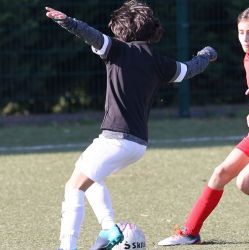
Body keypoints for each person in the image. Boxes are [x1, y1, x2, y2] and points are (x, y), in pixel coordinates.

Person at [45, 1, 217, 249]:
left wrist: (66, 21)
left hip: (114, 139)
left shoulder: (117, 50)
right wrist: (206, 54)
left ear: (122, 30)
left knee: (73, 188)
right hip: (137, 144)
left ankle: (67, 247)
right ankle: (109, 228)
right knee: (89, 177)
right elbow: (190, 69)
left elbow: (90, 35)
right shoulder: (160, 62)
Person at [158, 5, 249, 246]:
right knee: (220, 173)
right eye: (241, 32)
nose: (245, 39)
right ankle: (190, 232)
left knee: (245, 182)